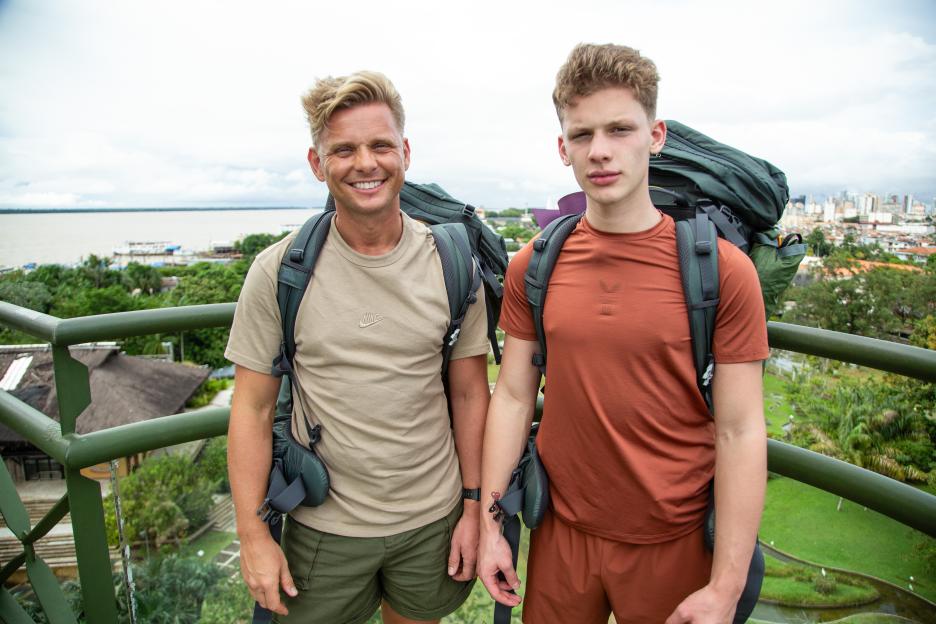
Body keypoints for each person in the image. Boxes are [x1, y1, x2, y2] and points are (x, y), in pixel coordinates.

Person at [478, 44, 769, 623]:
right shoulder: (534, 264)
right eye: (582, 135)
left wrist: (726, 585)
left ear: (655, 135)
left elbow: (740, 429)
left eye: (620, 129)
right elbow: (512, 396)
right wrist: (492, 527)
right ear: (563, 148)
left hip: (675, 539)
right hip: (560, 529)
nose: (601, 151)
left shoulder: (723, 272)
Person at [225, 70, 490, 624]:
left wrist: (473, 506)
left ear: (406, 153)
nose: (365, 163)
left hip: (432, 518)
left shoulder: (451, 263)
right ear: (317, 164)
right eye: (342, 150)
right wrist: (252, 534)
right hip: (324, 525)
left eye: (380, 145)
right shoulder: (279, 271)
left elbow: (470, 394)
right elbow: (249, 407)